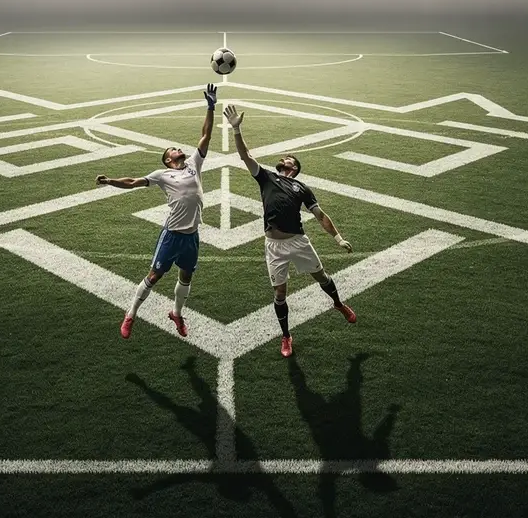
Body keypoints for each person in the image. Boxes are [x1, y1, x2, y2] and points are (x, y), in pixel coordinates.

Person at [224, 104, 355, 358]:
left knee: (321, 277)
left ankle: (338, 304)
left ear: (293, 168)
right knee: (280, 293)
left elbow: (320, 215)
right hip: (274, 245)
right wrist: (236, 129)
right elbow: (245, 155)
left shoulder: (302, 188)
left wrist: (338, 238)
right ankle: (286, 336)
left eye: (288, 159)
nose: (284, 159)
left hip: (298, 241)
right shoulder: (266, 177)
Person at [95, 84, 217, 339]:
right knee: (154, 276)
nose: (177, 148)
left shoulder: (194, 163)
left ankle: (177, 313)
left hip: (192, 236)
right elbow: (133, 182)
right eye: (172, 149)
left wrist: (210, 107)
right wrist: (109, 181)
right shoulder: (162, 174)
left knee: (186, 277)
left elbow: (205, 135)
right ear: (168, 160)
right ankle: (130, 314)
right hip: (172, 235)